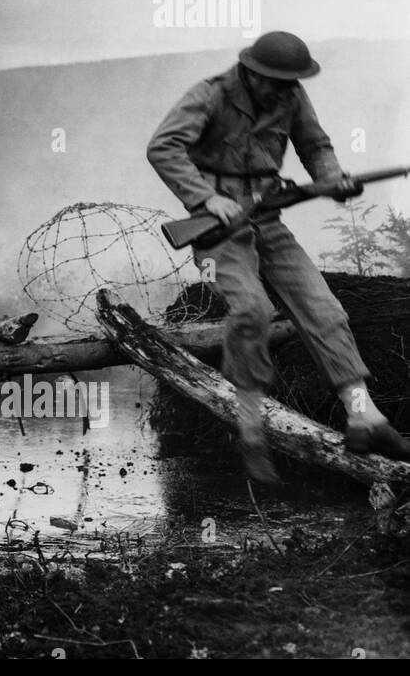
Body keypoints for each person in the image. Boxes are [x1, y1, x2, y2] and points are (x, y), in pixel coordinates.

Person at [147, 30, 410, 482]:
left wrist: (332, 179)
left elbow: (315, 146)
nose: (284, 90)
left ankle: (365, 419)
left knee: (325, 310)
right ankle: (251, 431)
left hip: (269, 219)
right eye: (275, 81)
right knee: (252, 311)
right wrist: (207, 199)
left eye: (291, 81)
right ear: (251, 72)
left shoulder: (291, 93)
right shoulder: (209, 95)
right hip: (220, 229)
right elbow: (163, 147)